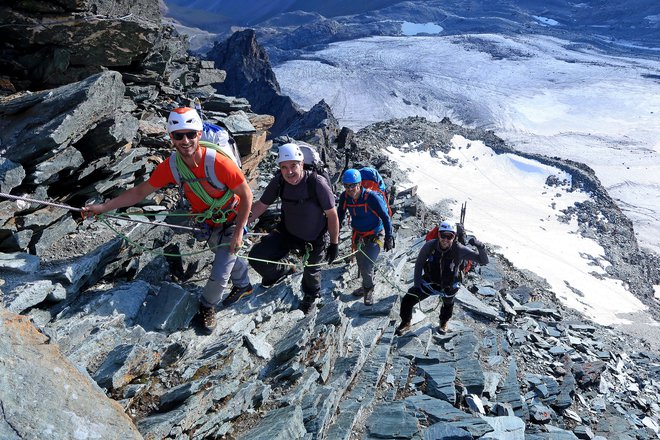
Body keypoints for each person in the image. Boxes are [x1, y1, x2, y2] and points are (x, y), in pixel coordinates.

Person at [83, 107, 254, 334]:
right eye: (178, 135)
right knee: (219, 249)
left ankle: (207, 304)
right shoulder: (172, 166)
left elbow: (246, 195)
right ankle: (244, 285)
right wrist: (103, 207)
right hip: (209, 220)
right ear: (171, 137)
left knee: (221, 268)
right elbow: (140, 192)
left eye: (191, 134)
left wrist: (240, 231)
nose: (185, 140)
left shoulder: (219, 163)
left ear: (200, 134)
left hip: (232, 217)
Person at [247, 143, 340, 313]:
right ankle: (283, 271)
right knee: (256, 257)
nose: (289, 172)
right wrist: (242, 224)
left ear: (301, 164)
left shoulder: (317, 183)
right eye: (284, 167)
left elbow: (332, 215)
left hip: (316, 238)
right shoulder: (279, 182)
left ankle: (311, 297)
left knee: (311, 275)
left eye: (293, 166)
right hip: (288, 232)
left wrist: (334, 243)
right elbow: (261, 205)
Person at [395, 221, 488, 335]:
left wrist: (481, 247)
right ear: (438, 234)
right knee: (408, 299)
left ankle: (443, 322)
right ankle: (406, 322)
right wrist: (417, 285)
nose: (445, 239)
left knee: (448, 304)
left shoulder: (459, 249)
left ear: (454, 237)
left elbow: (483, 261)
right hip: (430, 282)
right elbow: (419, 264)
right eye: (443, 235)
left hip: (449, 285)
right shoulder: (430, 246)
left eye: (449, 236)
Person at [337, 168, 394, 305]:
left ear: (359, 184)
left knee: (367, 264)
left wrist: (388, 237)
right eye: (346, 186)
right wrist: (334, 235)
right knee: (361, 262)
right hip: (358, 234)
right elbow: (340, 215)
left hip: (375, 234)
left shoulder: (371, 197)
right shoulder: (345, 197)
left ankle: (368, 289)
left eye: (352, 185)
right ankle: (367, 283)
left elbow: (386, 218)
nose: (349, 189)